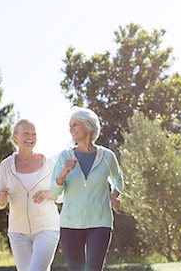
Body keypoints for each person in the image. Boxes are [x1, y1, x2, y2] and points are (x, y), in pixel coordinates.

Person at [50, 107, 124, 271]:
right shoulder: (65, 156)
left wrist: (114, 196)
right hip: (70, 224)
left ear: (89, 125)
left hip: (100, 222)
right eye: (70, 125)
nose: (71, 128)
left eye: (75, 124)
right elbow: (54, 193)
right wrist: (64, 172)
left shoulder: (106, 156)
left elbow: (118, 179)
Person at [0, 119, 60, 271]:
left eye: (33, 134)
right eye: (26, 133)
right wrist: (1, 198)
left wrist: (49, 193)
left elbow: (63, 195)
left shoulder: (48, 163)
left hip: (47, 228)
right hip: (18, 232)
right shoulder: (6, 165)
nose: (30, 137)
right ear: (15, 137)